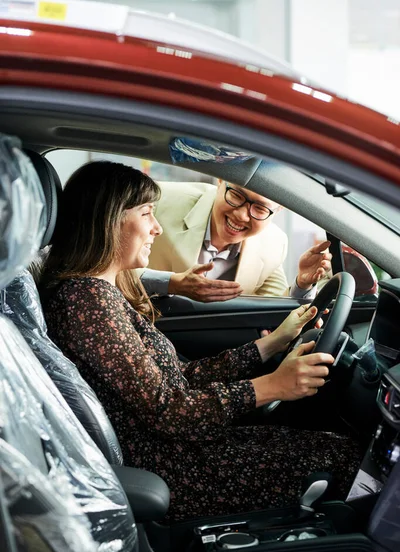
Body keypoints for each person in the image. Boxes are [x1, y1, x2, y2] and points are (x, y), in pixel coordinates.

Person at [41, 161, 362, 522]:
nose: (157, 227)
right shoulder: (88, 302)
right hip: (172, 466)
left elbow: (179, 376)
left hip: (176, 447)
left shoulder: (103, 293)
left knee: (328, 446)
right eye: (147, 213)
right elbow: (170, 410)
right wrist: (272, 386)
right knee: (342, 455)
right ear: (108, 220)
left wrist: (271, 345)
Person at [140, 180, 332, 302]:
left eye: (260, 209)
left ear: (278, 210)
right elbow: (111, 267)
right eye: (236, 195)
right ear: (220, 181)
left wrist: (302, 284)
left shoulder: (274, 243)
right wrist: (171, 283)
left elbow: (273, 309)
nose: (241, 215)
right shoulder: (159, 201)